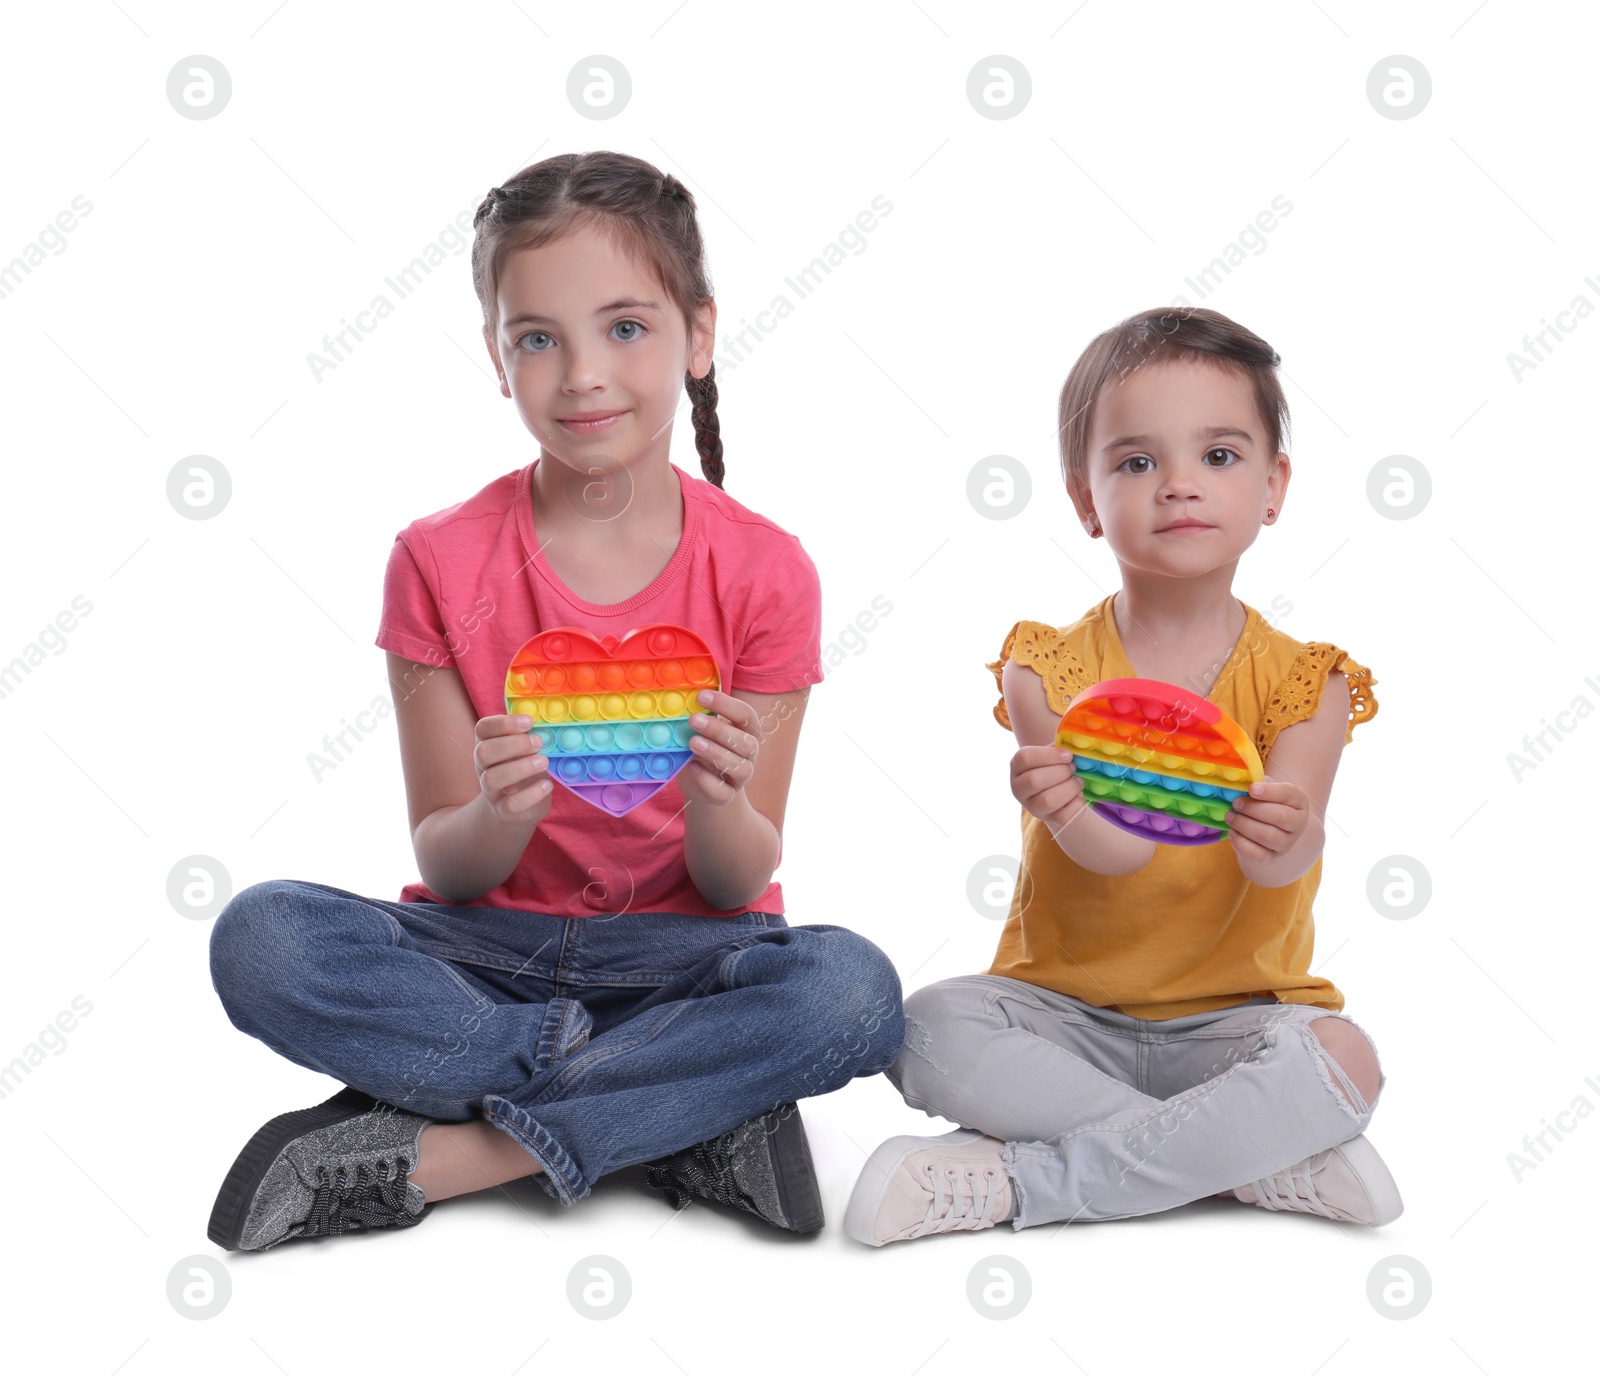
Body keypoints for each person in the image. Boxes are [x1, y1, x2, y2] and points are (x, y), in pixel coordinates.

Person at [206, 150, 904, 1253]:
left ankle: (459, 1151)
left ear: (699, 335)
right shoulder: (436, 560)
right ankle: (674, 1118)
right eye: (538, 336)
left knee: (853, 993)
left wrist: (721, 795)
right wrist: (502, 811)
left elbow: (735, 877)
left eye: (625, 327)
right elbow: (449, 866)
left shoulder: (769, 572)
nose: (582, 372)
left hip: (687, 956)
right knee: (262, 938)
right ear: (498, 356)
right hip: (484, 950)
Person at [844, 306, 1398, 1246]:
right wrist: (1067, 812)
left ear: (1275, 486)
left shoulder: (1315, 682)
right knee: (925, 1026)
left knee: (1347, 1058)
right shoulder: (1045, 667)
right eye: (1137, 462)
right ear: (1085, 497)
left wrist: (1287, 832)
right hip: (1061, 1019)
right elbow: (1116, 860)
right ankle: (1244, 1159)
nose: (1179, 486)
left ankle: (1022, 1184)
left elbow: (1280, 865)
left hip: (1236, 1029)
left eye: (1219, 456)